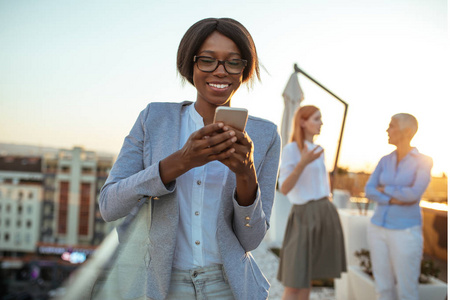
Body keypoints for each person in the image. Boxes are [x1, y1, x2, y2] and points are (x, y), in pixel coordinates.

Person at [98, 18, 281, 300]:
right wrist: (180, 162)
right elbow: (109, 206)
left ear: (244, 69)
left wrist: (246, 174)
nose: (220, 72)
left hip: (229, 286)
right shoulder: (154, 119)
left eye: (233, 62)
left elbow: (251, 239)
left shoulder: (265, 134)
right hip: (162, 286)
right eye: (207, 60)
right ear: (190, 64)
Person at [276, 105, 346, 300]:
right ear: (302, 122)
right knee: (294, 281)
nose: (321, 123)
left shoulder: (319, 150)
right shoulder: (291, 150)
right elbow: (284, 188)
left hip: (324, 211)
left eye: (320, 119)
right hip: (303, 215)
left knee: (308, 279)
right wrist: (303, 162)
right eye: (316, 118)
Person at [365, 113, 433, 300]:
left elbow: (413, 195)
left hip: (405, 232)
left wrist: (384, 188)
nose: (387, 130)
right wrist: (394, 197)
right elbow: (369, 190)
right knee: (383, 289)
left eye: (391, 125)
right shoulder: (384, 160)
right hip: (377, 228)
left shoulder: (424, 161)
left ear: (408, 131)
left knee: (407, 291)